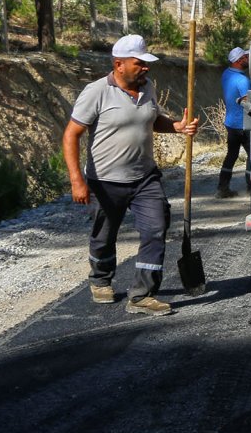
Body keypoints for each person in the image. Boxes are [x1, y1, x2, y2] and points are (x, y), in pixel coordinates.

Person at [63, 34, 199, 316]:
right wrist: (77, 180)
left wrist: (177, 126)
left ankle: (142, 295)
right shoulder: (96, 92)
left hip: (144, 178)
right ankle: (100, 279)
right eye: (140, 63)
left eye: (147, 63)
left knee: (156, 228)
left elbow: (152, 119)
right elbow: (71, 135)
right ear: (119, 64)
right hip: (105, 179)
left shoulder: (146, 87)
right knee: (104, 235)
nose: (146, 68)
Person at [217, 46, 251, 199]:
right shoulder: (243, 80)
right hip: (244, 124)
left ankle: (222, 188)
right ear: (239, 60)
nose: (249, 59)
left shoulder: (226, 74)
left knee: (231, 155)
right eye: (246, 57)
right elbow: (248, 102)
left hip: (231, 122)